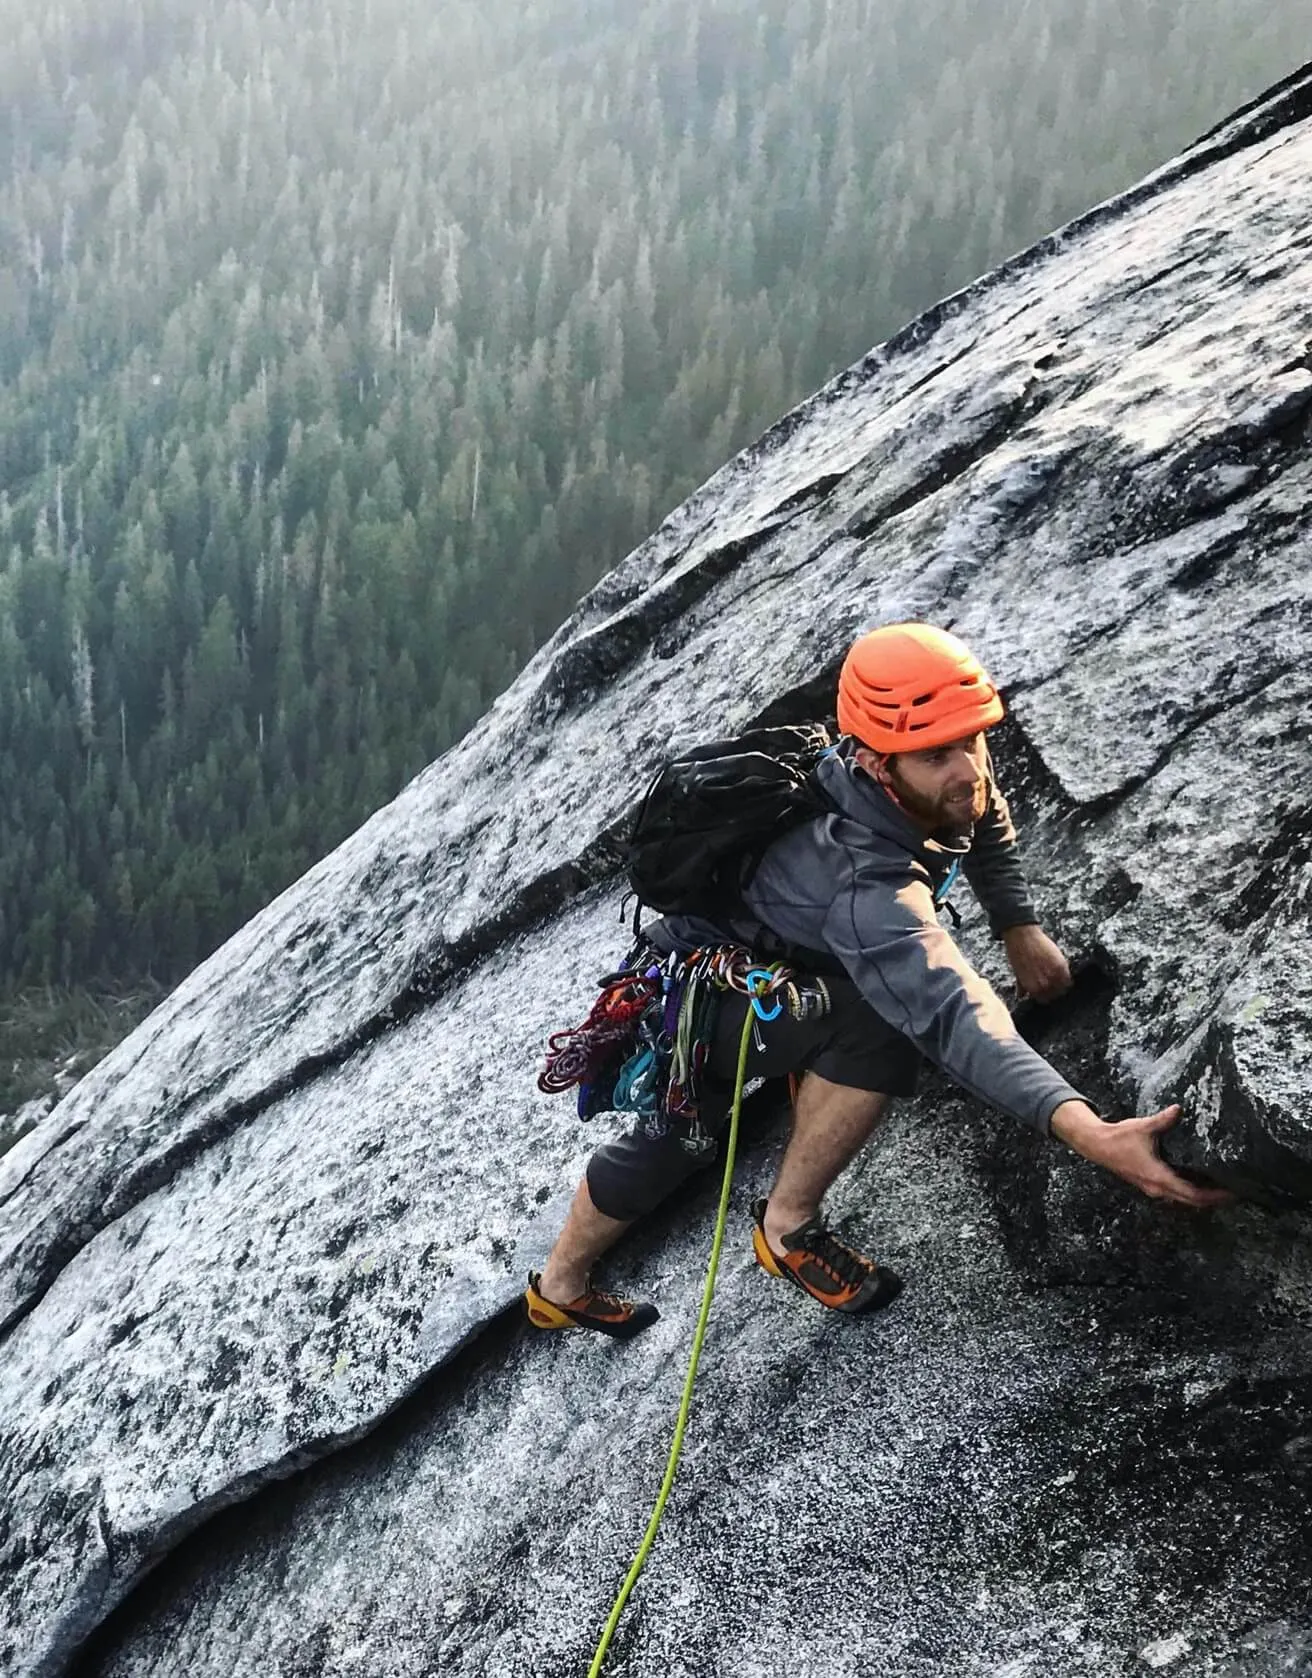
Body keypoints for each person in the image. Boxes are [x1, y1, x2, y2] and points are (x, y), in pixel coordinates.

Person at [525, 623, 1230, 1338]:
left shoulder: (913, 779)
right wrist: (1092, 1133)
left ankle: (793, 1094)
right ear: (872, 760)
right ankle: (599, 1275)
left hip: (782, 952)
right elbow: (952, 1014)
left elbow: (973, 811)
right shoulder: (860, 883)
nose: (969, 770)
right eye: (936, 754)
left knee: (864, 989)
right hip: (703, 992)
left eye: (973, 741)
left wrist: (1016, 924)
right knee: (701, 1126)